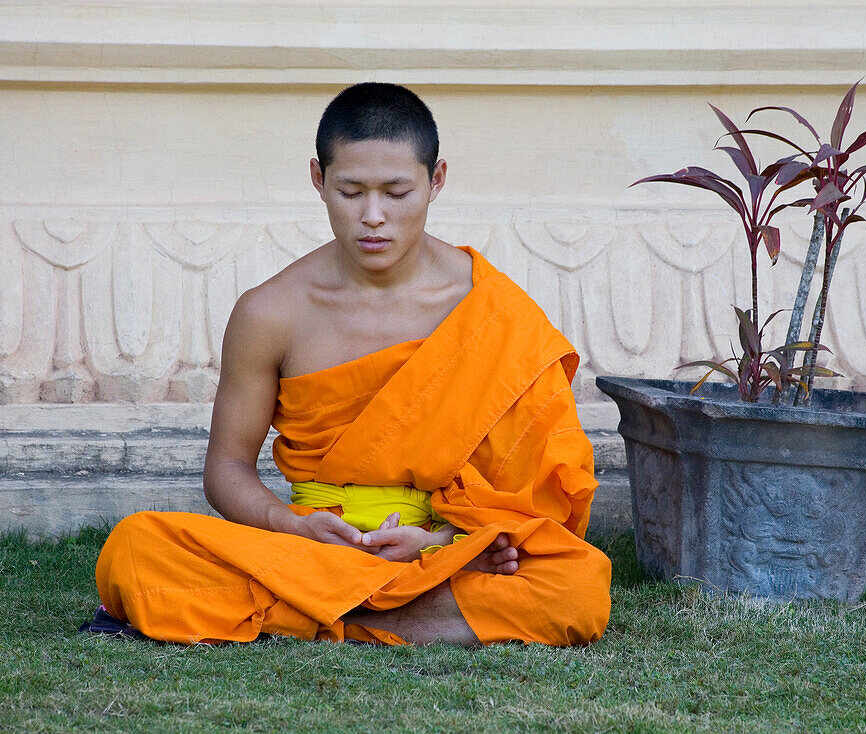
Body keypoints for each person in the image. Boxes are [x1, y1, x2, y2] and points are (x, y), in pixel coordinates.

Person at [90, 82, 611, 646]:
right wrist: (292, 526)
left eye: (396, 192)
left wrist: (440, 541)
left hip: (443, 545)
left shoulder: (490, 310)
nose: (373, 217)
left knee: (574, 586)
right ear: (318, 179)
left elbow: (537, 495)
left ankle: (317, 613)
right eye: (350, 191)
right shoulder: (270, 313)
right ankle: (397, 615)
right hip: (313, 546)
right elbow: (226, 469)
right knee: (138, 548)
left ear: (436, 181)